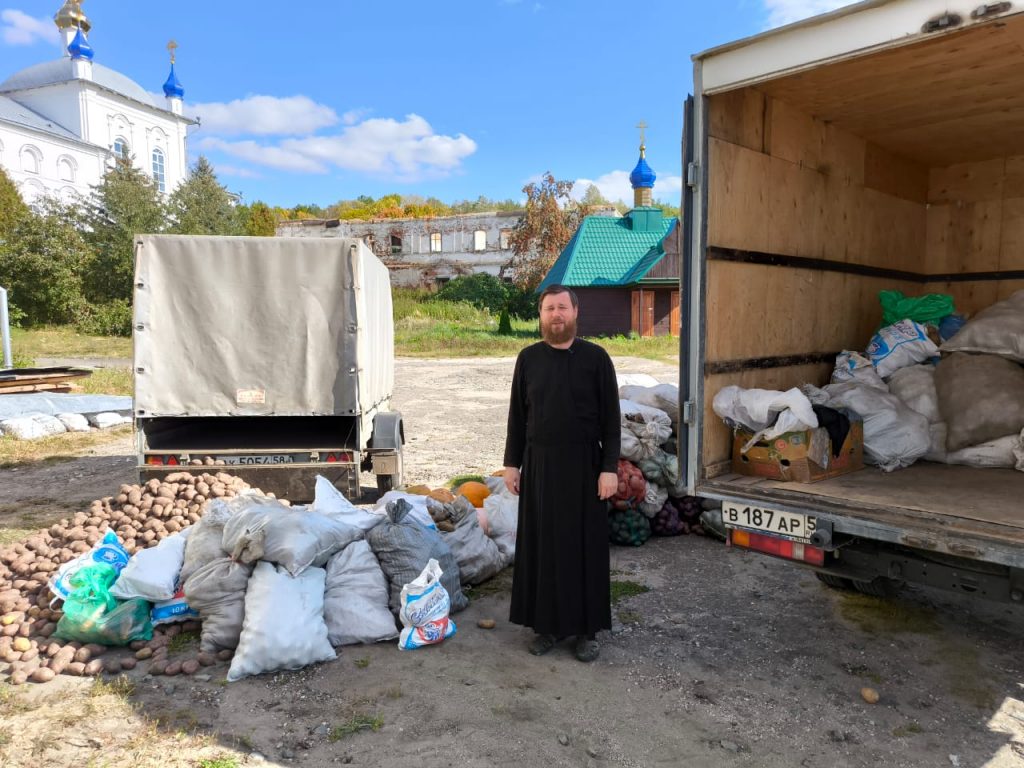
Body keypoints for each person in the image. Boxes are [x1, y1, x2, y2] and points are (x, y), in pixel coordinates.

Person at [502, 284, 621, 662]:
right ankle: (548, 626)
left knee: (584, 549)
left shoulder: (596, 359)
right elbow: (517, 416)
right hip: (540, 466)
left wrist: (609, 469)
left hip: (585, 467)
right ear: (540, 315)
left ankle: (587, 631)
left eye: (562, 308)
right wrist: (512, 464)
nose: (556, 314)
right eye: (549, 308)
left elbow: (611, 421)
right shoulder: (528, 359)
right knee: (544, 548)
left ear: (575, 312)